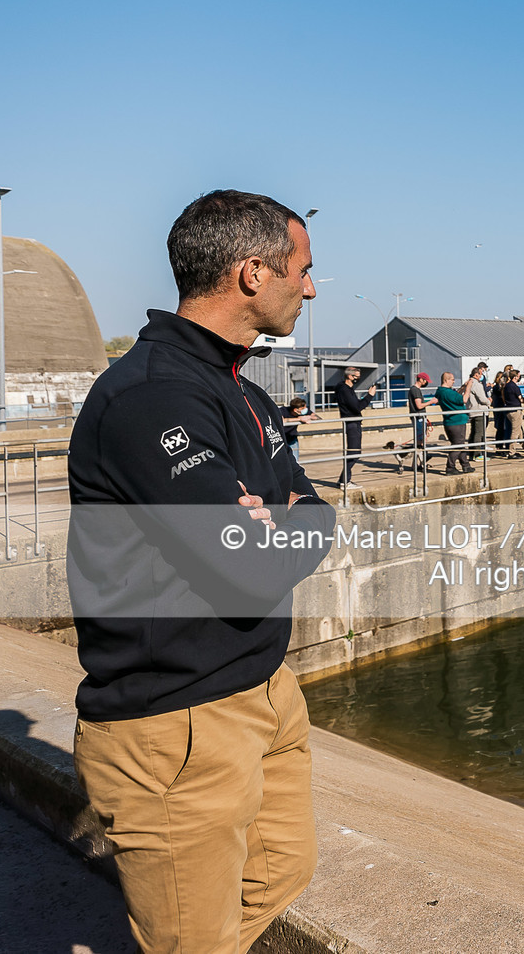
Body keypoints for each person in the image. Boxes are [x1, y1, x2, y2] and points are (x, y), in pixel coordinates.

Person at [67, 189, 336, 954]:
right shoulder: (153, 399)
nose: (311, 289)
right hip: (178, 721)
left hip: (263, 691)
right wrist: (270, 524)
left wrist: (283, 517)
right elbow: (249, 566)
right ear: (253, 272)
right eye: (304, 270)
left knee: (284, 864)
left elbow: (314, 516)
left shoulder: (242, 392)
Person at [332, 366, 370, 487]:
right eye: (356, 376)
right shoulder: (344, 390)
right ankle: (345, 481)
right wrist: (370, 395)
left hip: (354, 423)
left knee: (355, 452)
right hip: (352, 424)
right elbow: (357, 407)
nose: (357, 379)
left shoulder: (347, 389)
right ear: (349, 376)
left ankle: (344, 480)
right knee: (354, 452)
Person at [434, 372, 473, 474]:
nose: (453, 381)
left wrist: (463, 387)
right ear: (446, 380)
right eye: (452, 379)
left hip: (449, 422)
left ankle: (466, 465)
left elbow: (455, 396)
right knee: (458, 445)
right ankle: (450, 467)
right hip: (457, 421)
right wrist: (468, 387)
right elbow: (464, 399)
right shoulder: (448, 392)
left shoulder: (440, 391)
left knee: (459, 444)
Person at [406, 372, 431, 472]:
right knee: (419, 443)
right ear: (421, 379)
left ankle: (417, 464)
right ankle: (418, 464)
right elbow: (419, 406)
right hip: (419, 418)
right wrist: (430, 402)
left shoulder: (414, 390)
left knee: (419, 442)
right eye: (425, 381)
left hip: (420, 418)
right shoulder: (415, 390)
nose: (426, 383)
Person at [463, 366, 489, 461]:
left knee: (473, 433)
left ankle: (471, 453)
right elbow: (482, 398)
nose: (481, 375)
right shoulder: (476, 384)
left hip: (472, 410)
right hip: (479, 411)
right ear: (476, 374)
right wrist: (489, 402)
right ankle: (477, 454)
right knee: (479, 433)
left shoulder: (468, 383)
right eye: (481, 373)